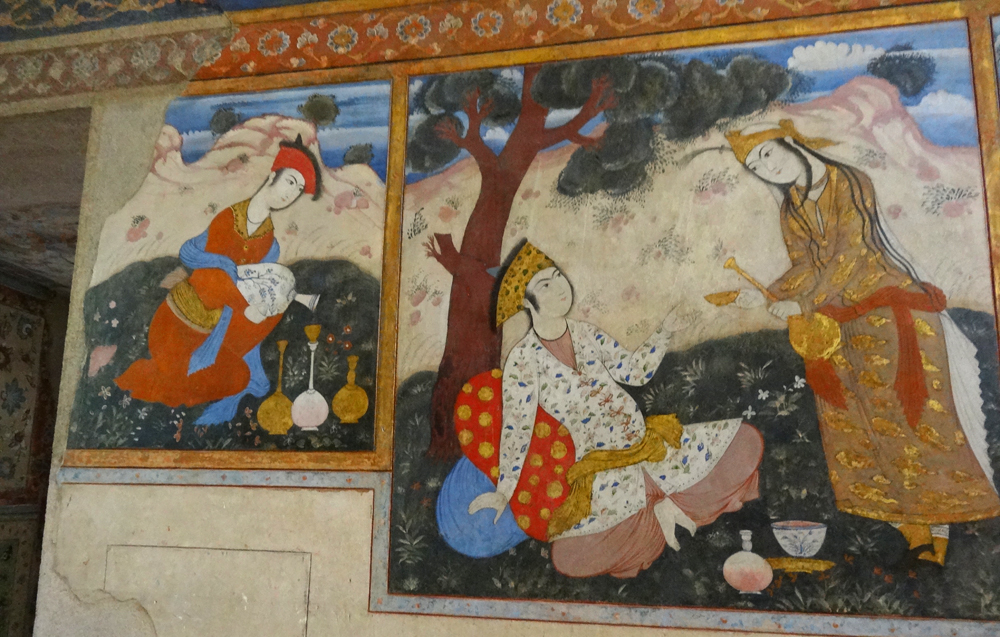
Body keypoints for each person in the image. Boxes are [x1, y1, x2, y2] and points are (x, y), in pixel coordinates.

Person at [725, 119, 1000, 565]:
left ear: (790, 141)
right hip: (838, 326)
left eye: (767, 153)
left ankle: (940, 536)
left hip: (889, 316)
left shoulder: (849, 182)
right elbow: (805, 265)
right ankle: (915, 536)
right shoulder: (792, 206)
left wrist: (802, 303)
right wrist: (767, 295)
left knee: (914, 425)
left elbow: (849, 257)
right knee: (858, 429)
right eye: (755, 165)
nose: (766, 168)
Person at [438, 240, 764, 578]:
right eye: (545, 285)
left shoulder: (585, 334)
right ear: (526, 302)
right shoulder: (523, 360)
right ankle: (659, 509)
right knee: (573, 554)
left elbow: (634, 372)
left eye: (558, 276)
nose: (560, 288)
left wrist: (664, 332)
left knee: (738, 443)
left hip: (643, 440)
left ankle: (665, 504)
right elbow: (517, 428)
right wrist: (504, 492)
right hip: (602, 463)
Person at [116, 136, 322, 425]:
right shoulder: (227, 220)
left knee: (241, 375)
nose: (292, 193)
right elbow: (204, 276)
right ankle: (170, 382)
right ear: (272, 176)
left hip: (214, 335)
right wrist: (230, 277)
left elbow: (253, 302)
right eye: (290, 181)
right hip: (177, 326)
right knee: (174, 375)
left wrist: (262, 307)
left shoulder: (270, 246)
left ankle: (193, 385)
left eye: (298, 190)